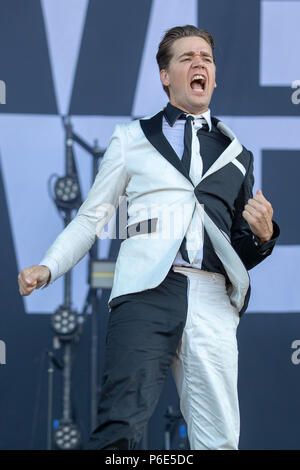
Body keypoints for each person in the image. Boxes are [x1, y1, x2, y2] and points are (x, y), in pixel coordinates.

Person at [18, 25, 279, 450]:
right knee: (119, 428)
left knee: (220, 439)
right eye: (186, 58)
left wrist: (264, 236)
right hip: (146, 290)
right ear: (165, 76)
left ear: (214, 76)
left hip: (213, 296)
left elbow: (237, 246)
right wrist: (49, 266)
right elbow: (91, 219)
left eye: (206, 59)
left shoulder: (237, 153)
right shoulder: (131, 139)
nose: (199, 64)